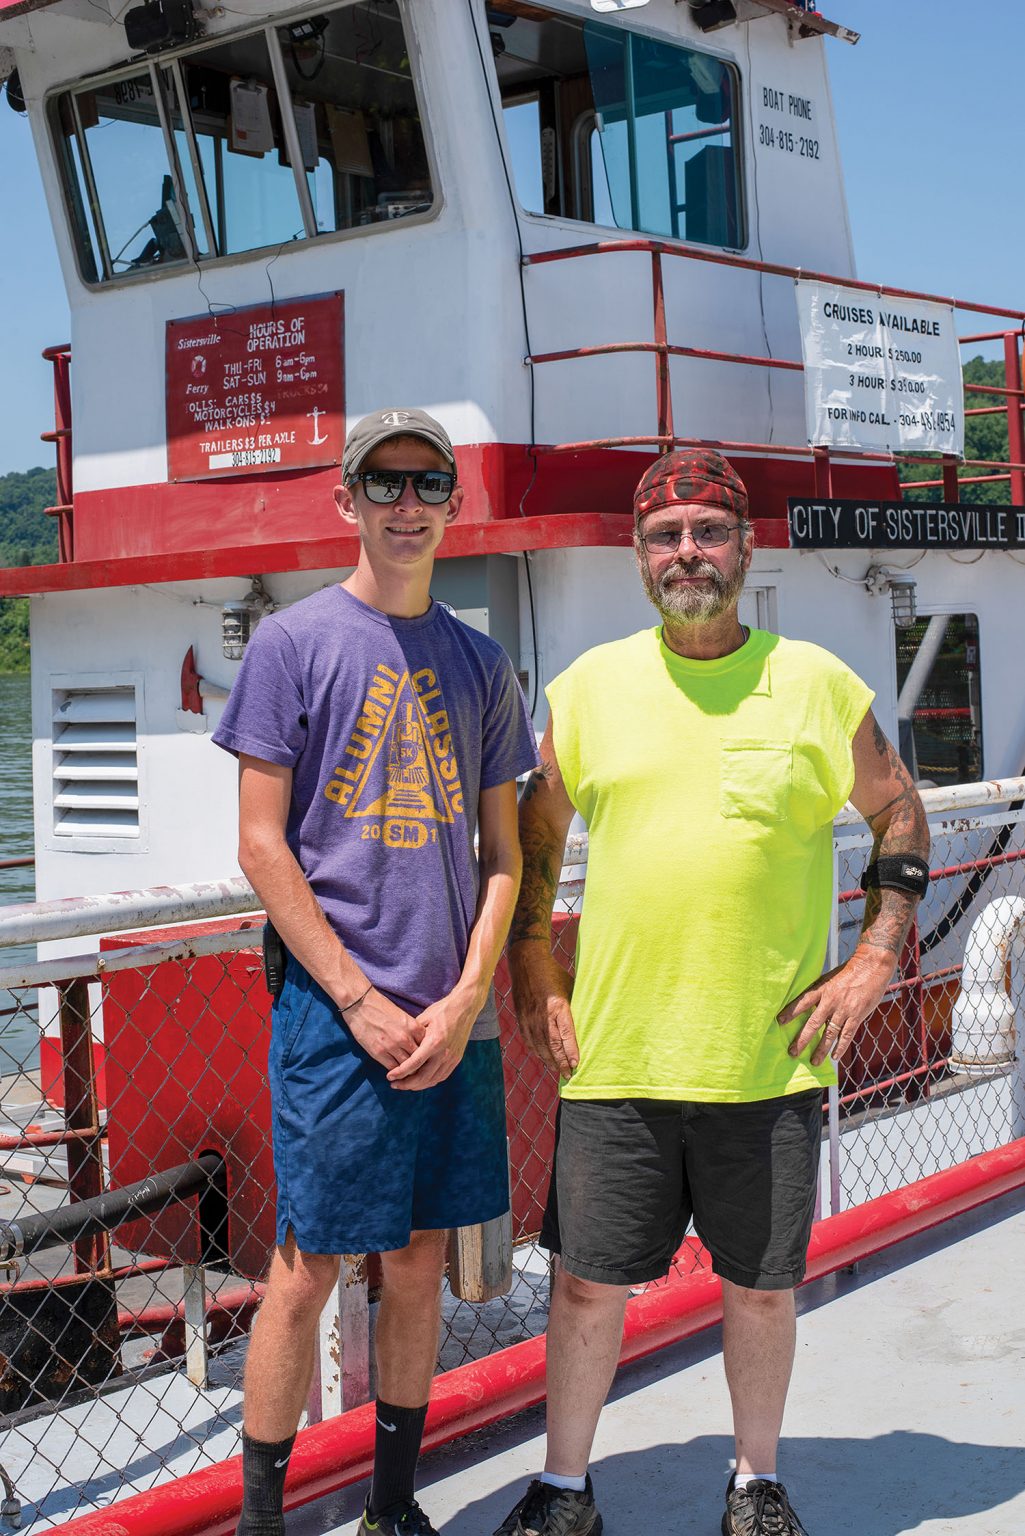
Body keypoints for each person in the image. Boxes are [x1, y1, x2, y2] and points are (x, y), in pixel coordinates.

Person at [496, 449, 930, 1536]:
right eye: (663, 535)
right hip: (617, 1051)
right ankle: (563, 1488)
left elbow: (897, 813)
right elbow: (535, 840)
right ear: (638, 556)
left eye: (706, 531)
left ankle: (752, 1481)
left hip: (766, 1050)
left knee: (760, 1287)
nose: (685, 552)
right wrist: (533, 971)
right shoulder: (588, 689)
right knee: (587, 1286)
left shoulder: (820, 686)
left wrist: (876, 954)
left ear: (744, 546)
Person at [213, 408, 539, 1536]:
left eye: (428, 484)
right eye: (384, 485)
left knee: (415, 1265)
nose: (407, 504)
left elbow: (505, 857)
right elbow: (261, 843)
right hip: (331, 1014)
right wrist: (356, 997)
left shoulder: (482, 664)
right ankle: (263, 1520)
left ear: (453, 503)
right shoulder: (291, 644)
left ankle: (392, 1510)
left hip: (448, 1021)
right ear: (345, 502)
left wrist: (460, 1002)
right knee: (303, 1269)